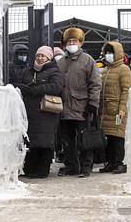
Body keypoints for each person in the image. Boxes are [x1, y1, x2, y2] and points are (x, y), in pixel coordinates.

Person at [57, 28, 102, 177]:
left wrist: (93, 104)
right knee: (67, 140)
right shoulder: (60, 62)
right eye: (69, 41)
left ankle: (86, 167)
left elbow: (95, 84)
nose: (71, 44)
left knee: (85, 139)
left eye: (74, 41)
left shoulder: (88, 60)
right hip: (64, 107)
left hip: (82, 107)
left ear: (81, 43)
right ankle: (71, 166)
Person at [14, 46, 64, 178]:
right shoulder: (28, 71)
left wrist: (35, 90)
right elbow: (20, 82)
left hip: (46, 112)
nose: (40, 58)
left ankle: (42, 170)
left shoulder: (54, 71)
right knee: (32, 141)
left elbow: (56, 87)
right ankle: (30, 169)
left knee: (45, 141)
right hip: (30, 111)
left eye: (43, 56)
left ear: (49, 58)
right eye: (38, 56)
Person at [99, 41, 131, 174]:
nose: (108, 55)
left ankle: (119, 163)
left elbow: (126, 90)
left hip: (118, 110)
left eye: (111, 53)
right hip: (106, 111)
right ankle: (111, 162)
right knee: (109, 137)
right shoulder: (106, 70)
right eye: (106, 53)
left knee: (118, 137)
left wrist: (122, 108)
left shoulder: (124, 69)